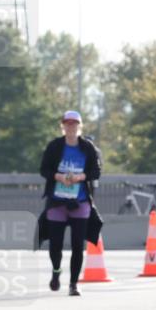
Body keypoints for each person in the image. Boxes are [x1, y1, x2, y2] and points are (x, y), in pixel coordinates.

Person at [36, 111, 103, 297]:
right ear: (63, 126)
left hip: (80, 201)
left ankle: (74, 284)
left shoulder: (88, 147)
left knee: (77, 245)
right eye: (68, 123)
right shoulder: (55, 146)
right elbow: (44, 170)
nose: (71, 127)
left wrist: (80, 177)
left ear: (79, 126)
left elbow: (96, 171)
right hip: (57, 201)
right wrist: (59, 176)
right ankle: (56, 271)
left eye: (74, 124)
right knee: (55, 244)